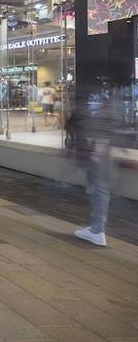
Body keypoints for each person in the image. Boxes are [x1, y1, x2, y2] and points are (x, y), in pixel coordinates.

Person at [72, 86, 119, 247]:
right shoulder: (106, 101)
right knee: (97, 188)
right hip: (101, 150)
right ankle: (96, 228)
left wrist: (95, 150)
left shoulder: (101, 102)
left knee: (98, 189)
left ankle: (97, 230)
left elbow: (101, 125)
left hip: (98, 151)